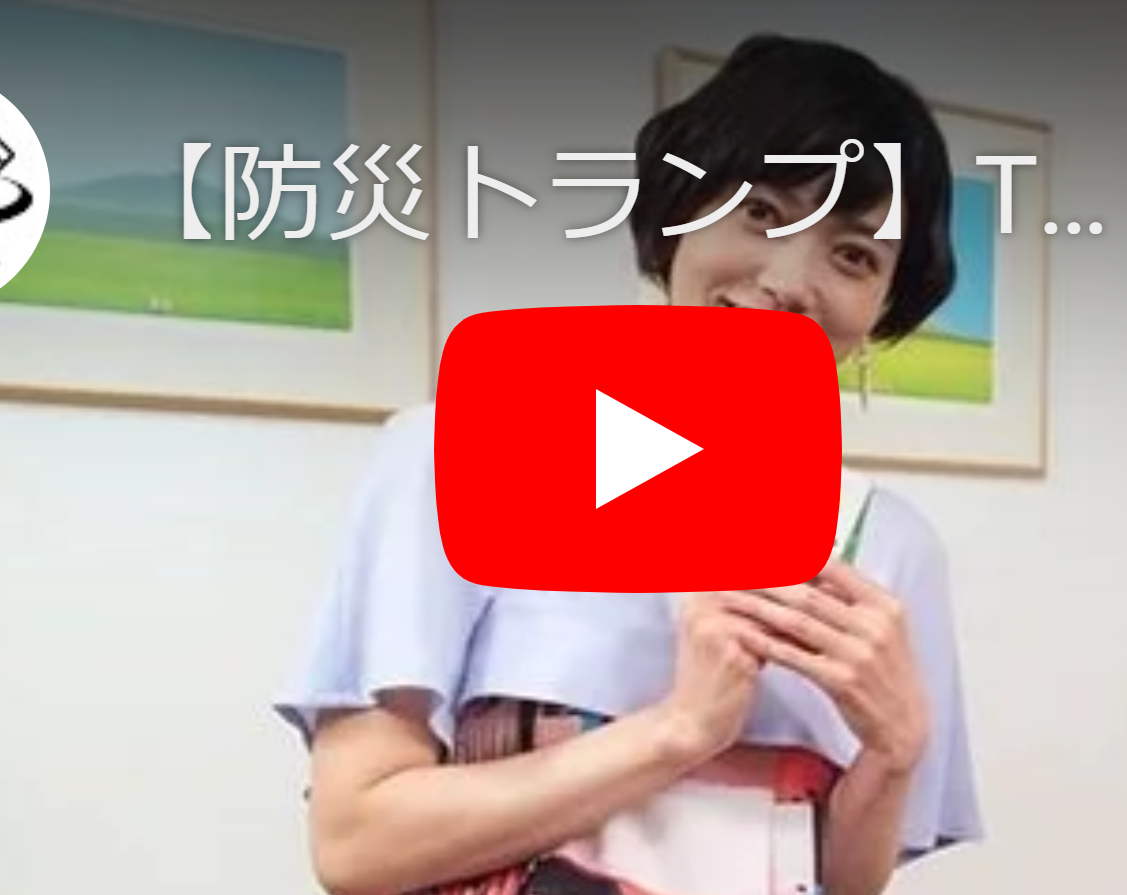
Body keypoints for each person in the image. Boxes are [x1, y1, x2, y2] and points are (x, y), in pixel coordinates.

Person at [274, 34, 982, 895]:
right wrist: (677, 730)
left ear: (883, 307)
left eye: (853, 255)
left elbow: (833, 881)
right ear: (679, 209)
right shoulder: (452, 451)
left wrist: (894, 753)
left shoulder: (890, 547)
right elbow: (356, 844)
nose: (791, 280)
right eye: (762, 211)